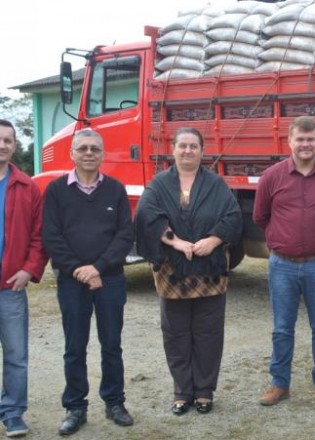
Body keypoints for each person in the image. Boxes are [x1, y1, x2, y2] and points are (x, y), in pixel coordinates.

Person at [135, 127, 241, 416]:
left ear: (202, 151)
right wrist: (177, 242)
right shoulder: (158, 184)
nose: (188, 151)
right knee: (176, 333)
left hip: (210, 271)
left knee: (208, 333)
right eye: (182, 145)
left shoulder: (216, 183)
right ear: (173, 150)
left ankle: (205, 391)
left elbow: (232, 216)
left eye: (194, 146)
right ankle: (182, 390)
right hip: (173, 273)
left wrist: (214, 240)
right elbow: (146, 215)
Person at [42, 129, 135, 435]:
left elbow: (125, 235)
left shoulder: (116, 190)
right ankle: (75, 407)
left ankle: (115, 402)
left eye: (95, 148)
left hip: (110, 280)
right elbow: (51, 237)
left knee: (112, 345)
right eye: (82, 148)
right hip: (71, 282)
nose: (89, 153)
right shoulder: (56, 190)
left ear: (102, 154)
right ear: (72, 153)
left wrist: (97, 268)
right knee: (74, 347)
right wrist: (79, 270)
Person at [252, 116, 315, 408]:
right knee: (282, 327)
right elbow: (260, 217)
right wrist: (284, 239)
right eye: (300, 139)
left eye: (311, 139)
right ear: (289, 141)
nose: (305, 145)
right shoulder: (272, 176)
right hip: (282, 264)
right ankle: (280, 384)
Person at [0, 119, 48, 438]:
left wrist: (28, 269)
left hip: (9, 287)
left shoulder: (27, 186)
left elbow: (39, 236)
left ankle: (13, 413)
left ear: (16, 145)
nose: (2, 145)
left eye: (8, 140)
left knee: (16, 355)